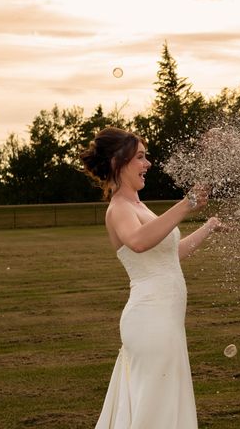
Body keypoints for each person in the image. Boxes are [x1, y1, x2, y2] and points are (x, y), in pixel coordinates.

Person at [80, 127, 221, 429]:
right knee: (155, 404)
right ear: (119, 162)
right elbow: (139, 242)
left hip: (166, 320)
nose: (148, 164)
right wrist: (186, 204)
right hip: (149, 320)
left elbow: (171, 253)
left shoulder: (139, 206)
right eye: (141, 157)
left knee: (163, 400)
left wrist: (207, 226)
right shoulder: (119, 208)